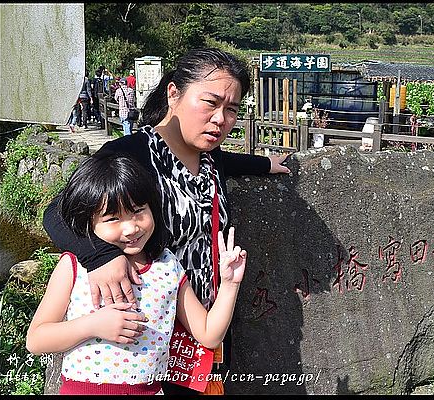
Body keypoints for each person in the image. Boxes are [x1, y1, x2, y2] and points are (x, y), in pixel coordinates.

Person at [42, 47, 291, 394]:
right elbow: (56, 213)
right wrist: (101, 257)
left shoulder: (209, 160)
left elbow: (229, 161)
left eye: (231, 109)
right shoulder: (130, 154)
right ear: (174, 93)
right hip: (145, 343)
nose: (220, 119)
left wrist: (265, 164)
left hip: (206, 334)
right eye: (210, 102)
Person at [27, 153, 247, 395]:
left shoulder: (167, 266)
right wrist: (92, 325)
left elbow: (208, 334)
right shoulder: (74, 266)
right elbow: (36, 339)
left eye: (138, 211)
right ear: (88, 222)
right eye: (112, 219)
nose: (131, 227)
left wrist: (229, 284)